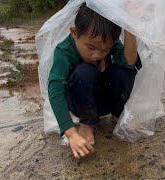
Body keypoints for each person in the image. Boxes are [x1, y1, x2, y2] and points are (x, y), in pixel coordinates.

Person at [48, 3, 141, 159]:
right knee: (84, 71)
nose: (97, 55)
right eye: (91, 48)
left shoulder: (108, 42)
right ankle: (87, 123)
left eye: (105, 49)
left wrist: (129, 26)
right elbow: (55, 88)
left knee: (125, 70)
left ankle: (119, 115)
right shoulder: (64, 51)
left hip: (105, 101)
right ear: (74, 33)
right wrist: (71, 133)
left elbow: (130, 62)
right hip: (80, 103)